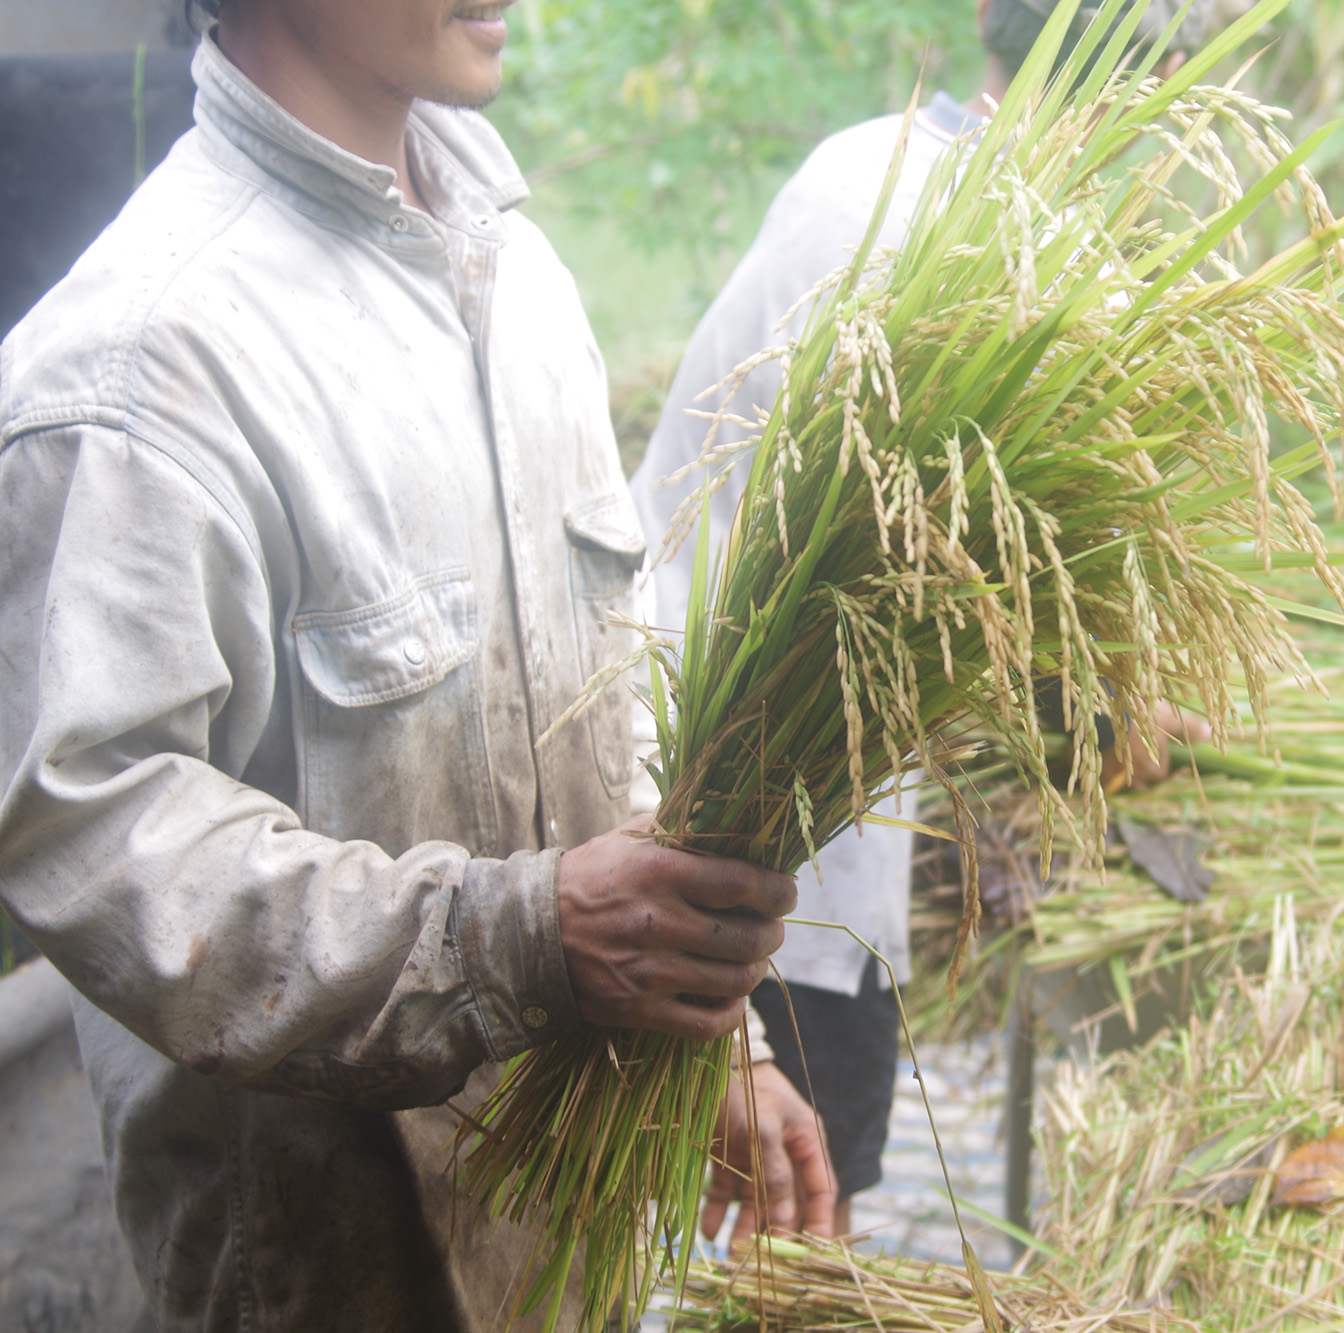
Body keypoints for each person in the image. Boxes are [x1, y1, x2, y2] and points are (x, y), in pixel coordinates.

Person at [0, 0, 832, 1328]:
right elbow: (103, 844)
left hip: (570, 1257)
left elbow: (597, 716)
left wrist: (706, 1047)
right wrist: (515, 935)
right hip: (337, 1280)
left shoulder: (517, 274)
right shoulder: (142, 369)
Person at [629, 0, 1200, 1239]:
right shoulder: (903, 215)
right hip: (735, 778)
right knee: (792, 1217)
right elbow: (878, 550)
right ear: (1138, 87)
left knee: (799, 1188)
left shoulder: (946, 197)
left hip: (807, 798)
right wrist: (1082, 691)